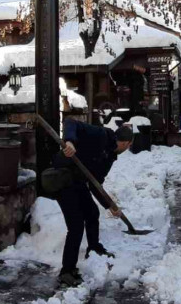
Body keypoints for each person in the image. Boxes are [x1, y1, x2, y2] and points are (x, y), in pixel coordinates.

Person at [53, 118, 134, 287]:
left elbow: (95, 183)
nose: (128, 149)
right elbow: (71, 123)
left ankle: (94, 248)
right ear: (126, 143)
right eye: (129, 146)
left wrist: (109, 206)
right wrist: (70, 142)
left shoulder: (110, 156)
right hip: (62, 178)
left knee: (92, 213)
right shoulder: (101, 135)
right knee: (75, 225)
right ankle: (67, 271)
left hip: (78, 180)